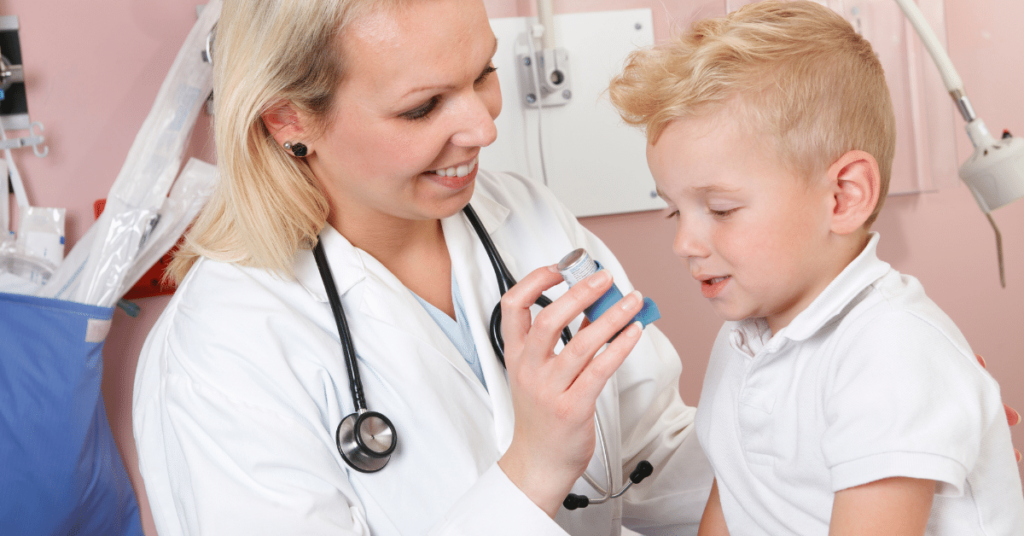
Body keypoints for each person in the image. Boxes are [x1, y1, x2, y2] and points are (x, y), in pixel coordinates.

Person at [131, 0, 714, 534]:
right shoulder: (223, 345)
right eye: (423, 107)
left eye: (484, 73)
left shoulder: (529, 220)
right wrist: (533, 471)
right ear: (288, 121)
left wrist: (773, 400)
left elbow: (650, 461)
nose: (484, 128)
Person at [607, 1, 1024, 534]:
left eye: (721, 210)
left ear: (843, 196)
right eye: (674, 210)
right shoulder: (744, 341)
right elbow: (734, 503)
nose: (684, 242)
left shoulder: (889, 352)